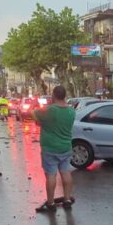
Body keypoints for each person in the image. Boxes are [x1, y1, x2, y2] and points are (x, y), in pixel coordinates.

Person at [33, 85, 77, 213]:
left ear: (53, 95)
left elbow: (34, 113)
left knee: (51, 175)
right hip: (66, 147)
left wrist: (40, 122)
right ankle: (67, 199)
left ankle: (51, 202)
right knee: (66, 172)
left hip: (50, 147)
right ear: (65, 96)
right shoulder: (71, 111)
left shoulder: (50, 110)